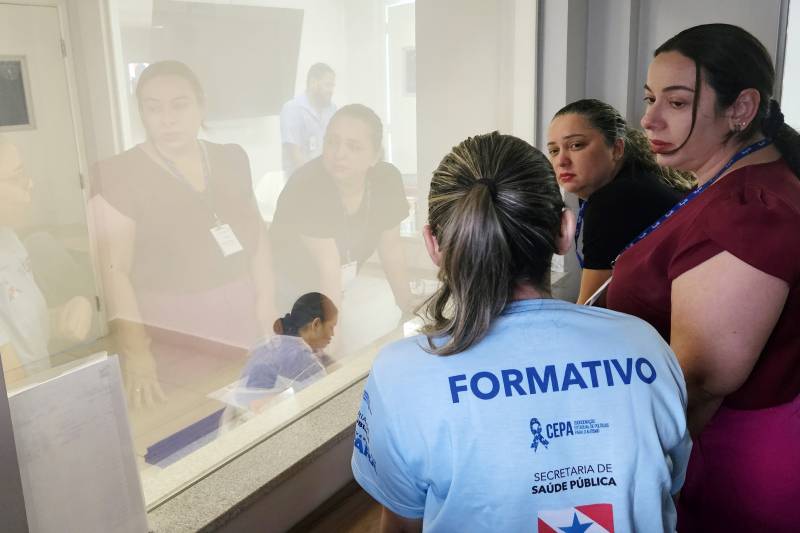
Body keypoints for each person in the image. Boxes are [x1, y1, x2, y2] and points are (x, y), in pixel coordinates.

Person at [351, 131, 690, 532]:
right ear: (565, 230)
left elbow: (402, 523)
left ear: (433, 244)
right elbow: (666, 493)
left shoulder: (404, 373)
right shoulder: (644, 345)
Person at [606, 24, 800, 531]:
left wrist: (633, 473)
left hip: (726, 467)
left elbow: (700, 380)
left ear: (742, 108)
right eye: (650, 98)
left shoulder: (750, 209)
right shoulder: (729, 184)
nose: (648, 119)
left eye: (676, 102)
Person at [91, 60, 275, 407]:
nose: (167, 119)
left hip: (243, 316)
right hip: (175, 330)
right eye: (153, 108)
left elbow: (258, 236)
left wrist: (266, 301)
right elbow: (114, 272)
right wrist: (136, 352)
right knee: (191, 419)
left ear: (201, 106)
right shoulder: (118, 174)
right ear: (142, 114)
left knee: (251, 412)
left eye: (179, 105)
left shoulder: (231, 158)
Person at [270, 103, 412, 317]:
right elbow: (328, 268)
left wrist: (409, 308)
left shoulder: (386, 180)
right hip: (284, 290)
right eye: (332, 142)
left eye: (353, 147)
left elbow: (391, 248)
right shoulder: (308, 185)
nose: (339, 154)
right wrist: (333, 333)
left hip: (331, 286)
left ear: (375, 156)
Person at [547, 99, 693, 303]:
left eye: (576, 145)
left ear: (617, 149)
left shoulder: (613, 201)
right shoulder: (637, 179)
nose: (561, 161)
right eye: (554, 150)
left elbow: (592, 309)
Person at [0, 140, 92, 383]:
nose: (30, 184)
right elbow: (12, 380)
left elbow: (22, 328)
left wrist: (61, 317)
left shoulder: (8, 239)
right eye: (16, 178)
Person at [234, 292, 337, 411]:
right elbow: (327, 401)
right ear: (316, 324)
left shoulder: (276, 344)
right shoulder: (301, 358)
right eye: (331, 327)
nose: (333, 334)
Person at [280, 62, 337, 176]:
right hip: (300, 180)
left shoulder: (332, 109)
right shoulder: (292, 109)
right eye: (328, 85)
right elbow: (294, 154)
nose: (331, 90)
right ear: (313, 83)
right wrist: (315, 179)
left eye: (333, 86)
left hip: (327, 177)